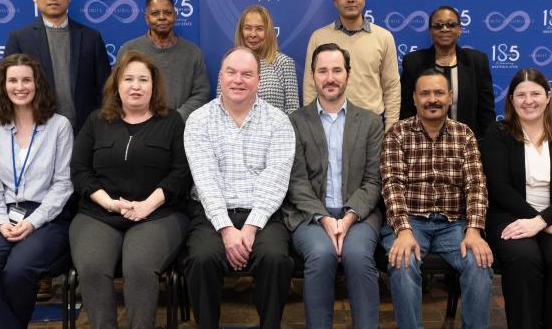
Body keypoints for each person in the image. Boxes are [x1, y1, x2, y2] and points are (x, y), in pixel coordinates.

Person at [69, 50, 190, 329]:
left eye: (143, 80)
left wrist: (148, 205)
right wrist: (109, 203)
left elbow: (181, 174)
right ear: (117, 85)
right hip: (99, 214)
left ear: (154, 86)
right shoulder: (97, 121)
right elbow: (79, 171)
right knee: (92, 268)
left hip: (158, 214)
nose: (136, 86)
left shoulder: (172, 122)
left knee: (138, 268)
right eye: (129, 79)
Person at [184, 47, 295, 329]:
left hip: (263, 214)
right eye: (231, 72)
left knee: (276, 259)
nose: (238, 80)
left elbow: (276, 179)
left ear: (258, 80)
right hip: (211, 215)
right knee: (201, 259)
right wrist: (225, 228)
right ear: (220, 77)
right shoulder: (198, 121)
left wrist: (250, 228)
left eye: (247, 74)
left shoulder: (279, 121)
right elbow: (205, 179)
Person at [381, 68, 493, 329]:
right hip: (410, 221)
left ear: (450, 97)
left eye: (439, 93)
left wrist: (474, 230)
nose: (433, 99)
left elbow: (476, 184)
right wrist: (403, 230)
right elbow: (392, 184)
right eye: (425, 93)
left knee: (479, 262)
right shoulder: (397, 134)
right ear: (415, 98)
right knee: (403, 262)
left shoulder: (464, 134)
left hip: (454, 224)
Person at [282, 43, 384, 329]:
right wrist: (325, 219)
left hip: (360, 214)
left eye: (337, 70)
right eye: (323, 70)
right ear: (313, 76)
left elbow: (373, 181)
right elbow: (296, 181)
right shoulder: (295, 122)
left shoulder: (370, 122)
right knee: (321, 254)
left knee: (357, 255)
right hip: (310, 215)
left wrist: (349, 218)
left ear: (348, 75)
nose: (330, 78)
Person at [0, 54, 73, 329]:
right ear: (3, 85)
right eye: (13, 80)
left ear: (38, 84)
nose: (19, 86)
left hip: (48, 216)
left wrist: (33, 221)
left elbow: (63, 184)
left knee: (18, 271)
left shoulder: (59, 125)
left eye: (26, 80)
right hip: (4, 214)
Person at [481, 68, 552, 329]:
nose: (529, 101)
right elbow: (499, 187)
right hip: (510, 215)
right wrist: (540, 221)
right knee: (523, 257)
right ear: (511, 100)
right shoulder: (498, 133)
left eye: (536, 94)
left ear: (549, 96)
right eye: (521, 95)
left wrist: (543, 221)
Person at [4, 0, 111, 135]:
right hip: (36, 133)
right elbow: (8, 91)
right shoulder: (19, 39)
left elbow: (106, 89)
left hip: (85, 134)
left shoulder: (91, 38)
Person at [303, 0, 400, 131]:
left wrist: (390, 129)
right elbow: (310, 85)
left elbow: (392, 87)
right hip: (327, 123)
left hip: (370, 125)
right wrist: (312, 125)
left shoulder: (383, 37)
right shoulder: (319, 37)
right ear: (335, 1)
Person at [400, 5, 495, 139]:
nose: (445, 29)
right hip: (422, 145)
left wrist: (488, 146)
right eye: (438, 25)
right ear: (430, 31)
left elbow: (486, 112)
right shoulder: (413, 62)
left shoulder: (477, 62)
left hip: (467, 145)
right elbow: (406, 111)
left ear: (459, 29)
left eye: (451, 25)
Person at [118, 0, 210, 121]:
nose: (162, 17)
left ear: (175, 16)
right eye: (155, 13)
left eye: (167, 13)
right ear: (146, 18)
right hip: (138, 126)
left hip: (180, 127)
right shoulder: (129, 50)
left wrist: (177, 117)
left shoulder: (192, 52)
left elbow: (201, 93)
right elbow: (118, 89)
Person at [217, 5, 299, 115]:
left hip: (276, 131)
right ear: (241, 31)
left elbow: (293, 111)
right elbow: (220, 108)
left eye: (259, 29)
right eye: (248, 28)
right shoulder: (230, 63)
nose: (253, 34)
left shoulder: (284, 63)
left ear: (269, 32)